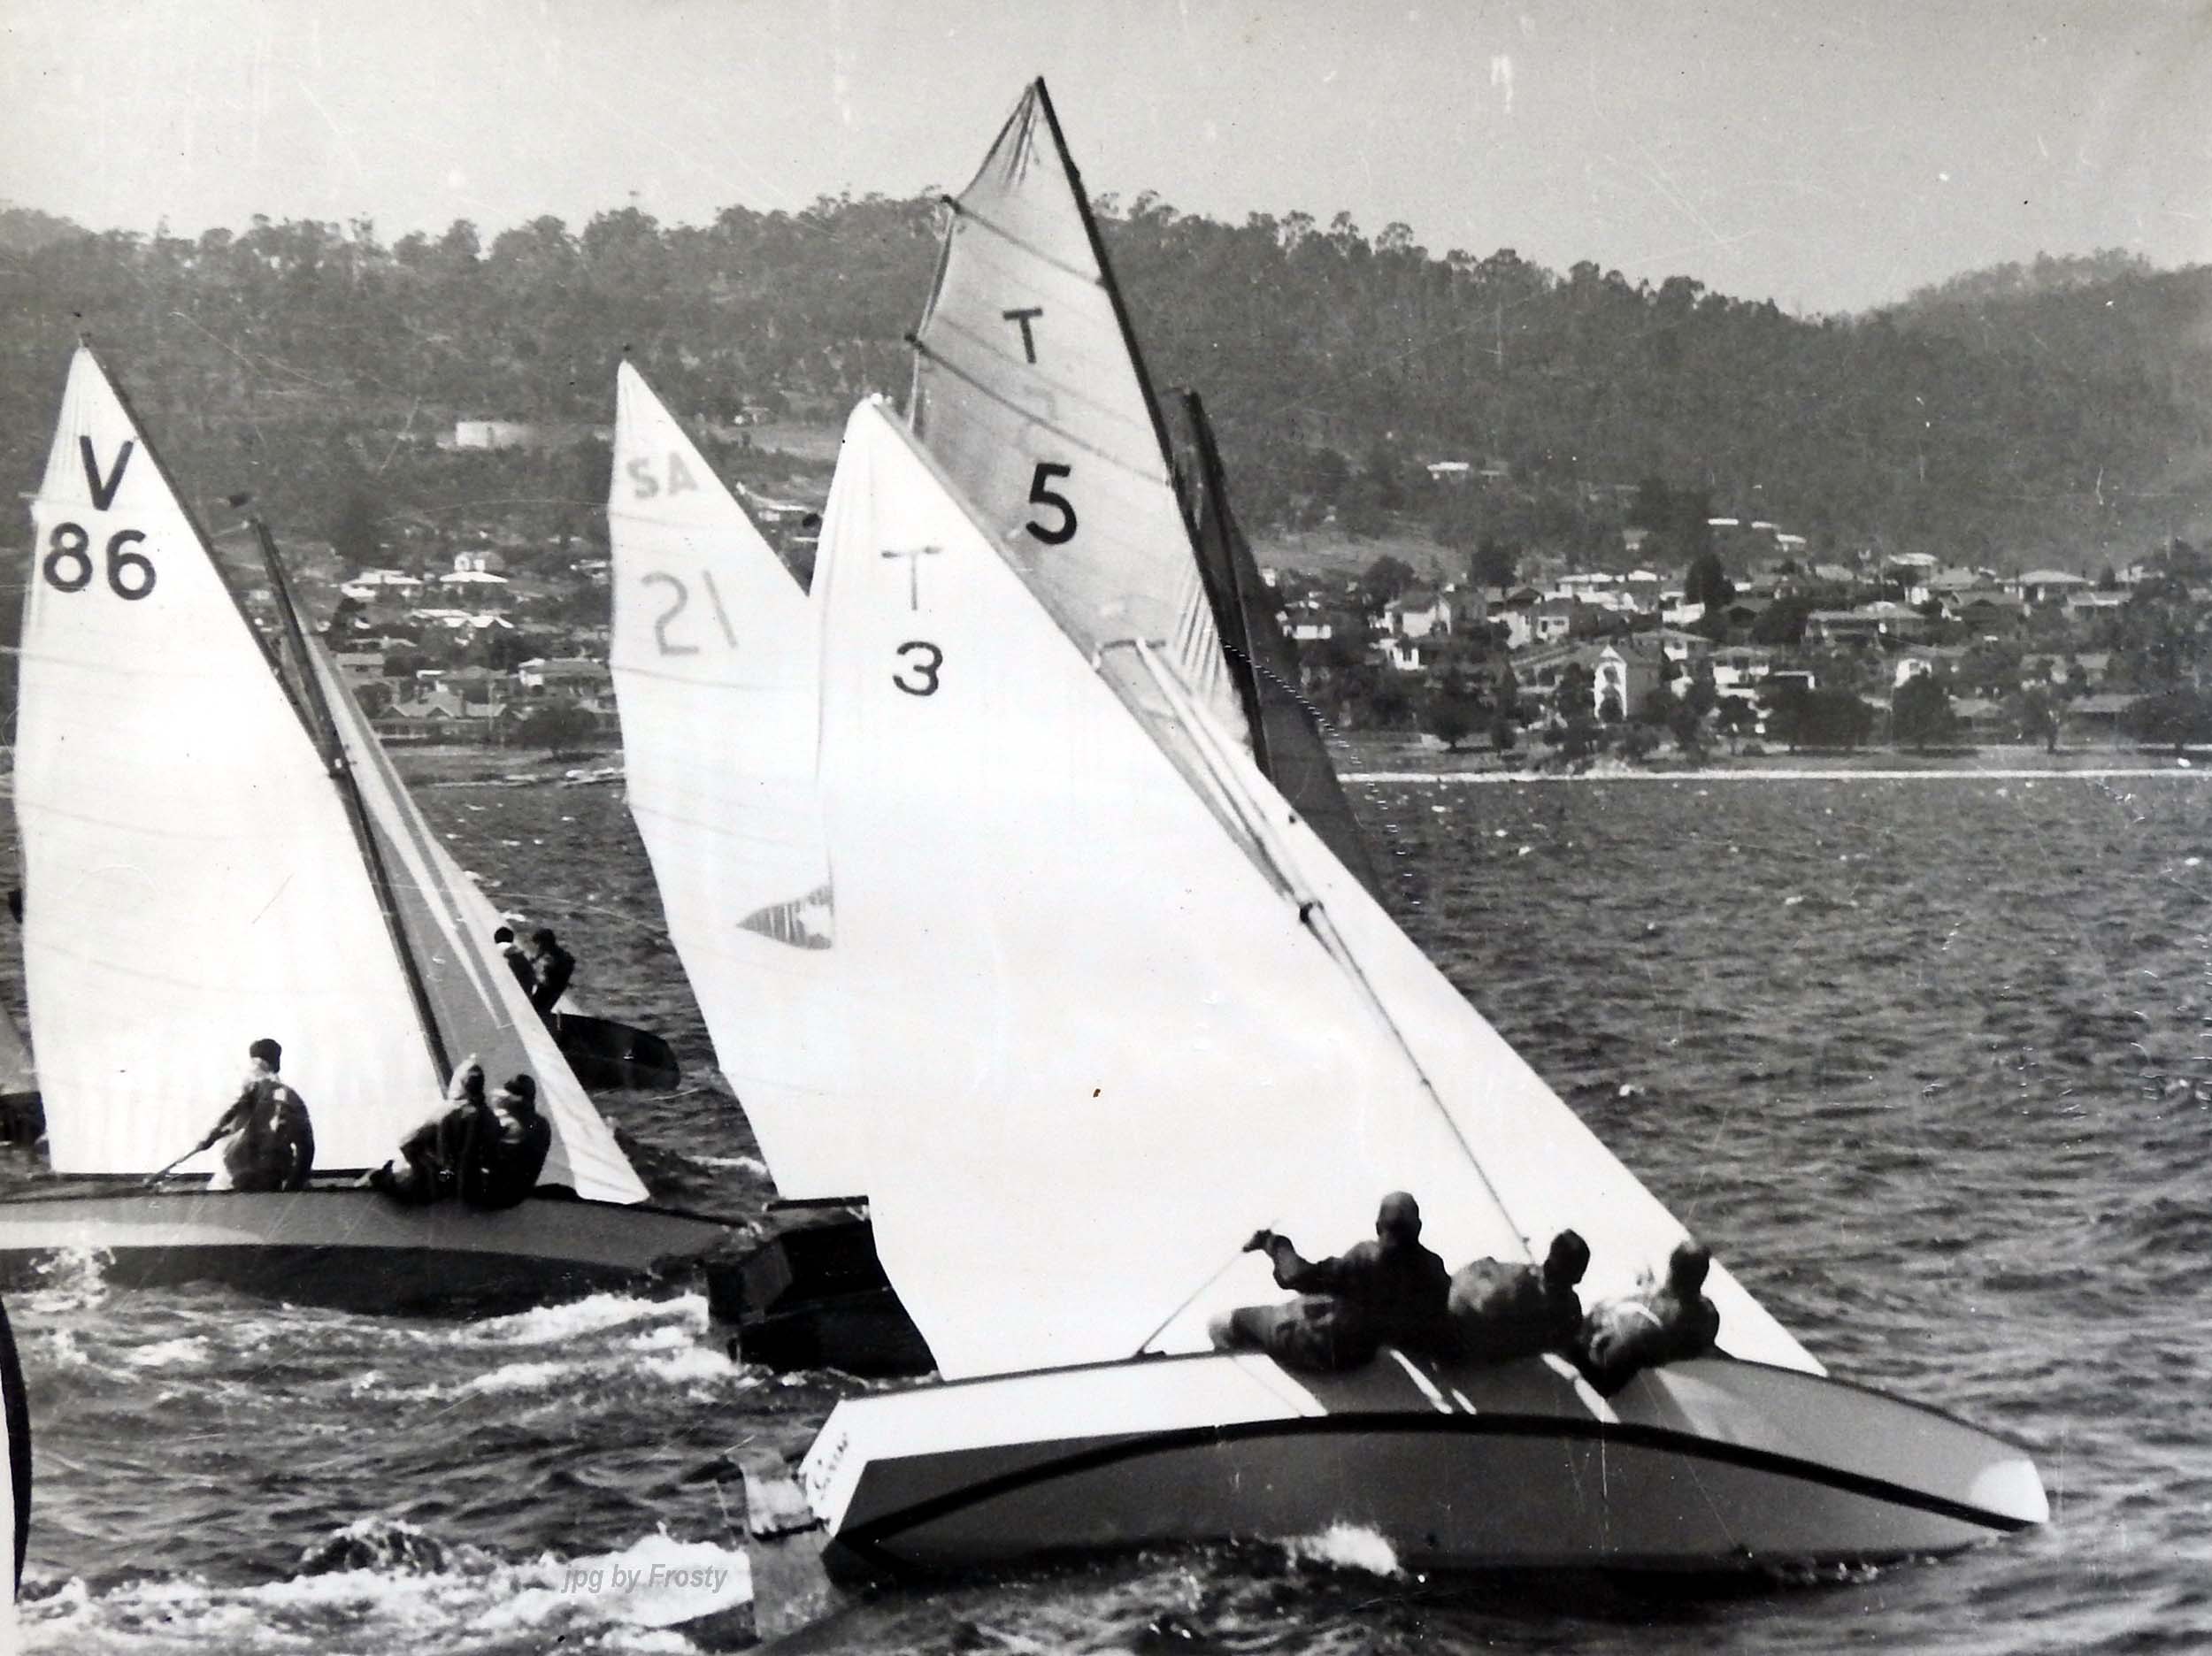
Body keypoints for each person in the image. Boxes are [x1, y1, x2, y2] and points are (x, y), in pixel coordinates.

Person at [1208, 1192, 1452, 1372]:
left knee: (1220, 1323)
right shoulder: (1433, 1268)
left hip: (1322, 1349)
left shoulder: (1366, 1257)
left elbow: (1296, 1276)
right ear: (1418, 1227)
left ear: (1378, 1226)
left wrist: (1274, 1243)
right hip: (1364, 1357)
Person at [1574, 1238, 1723, 1396]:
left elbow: (1606, 1383)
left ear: (1670, 1270)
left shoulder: (1648, 1325)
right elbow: (1678, 1300)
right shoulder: (1710, 1314)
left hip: (1612, 1375)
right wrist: (1652, 1289)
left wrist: (1572, 1345)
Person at [1444, 1230, 1590, 1362]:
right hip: (1468, 1344)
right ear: (1578, 1278)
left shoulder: (1516, 1281)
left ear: (1548, 1263)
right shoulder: (1571, 1317)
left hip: (1458, 1334)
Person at [190, 1038, 314, 1192]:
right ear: (276, 1062)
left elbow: (227, 1116)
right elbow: (307, 1147)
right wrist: (294, 1185)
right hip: (272, 1174)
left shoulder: (247, 1085)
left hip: (238, 1172)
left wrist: (208, 1139)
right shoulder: (290, 1096)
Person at [367, 1061, 485, 1207]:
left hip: (431, 1185)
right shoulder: (487, 1114)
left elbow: (405, 1142)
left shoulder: (447, 1112)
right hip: (461, 1183)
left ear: (459, 1084)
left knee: (389, 1172)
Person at [459, 1074, 552, 1211]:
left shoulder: (510, 1124)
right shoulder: (542, 1123)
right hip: (520, 1193)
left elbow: (486, 1154)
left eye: (508, 1095)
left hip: (495, 1195)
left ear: (518, 1098)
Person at [526, 928, 574, 1018]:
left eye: (539, 944)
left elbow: (546, 976)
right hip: (551, 987)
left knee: (538, 1011)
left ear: (544, 943)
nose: (538, 947)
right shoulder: (549, 952)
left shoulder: (555, 957)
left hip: (551, 988)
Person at [492, 925, 538, 998]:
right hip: (523, 991)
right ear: (512, 940)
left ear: (495, 939)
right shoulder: (521, 955)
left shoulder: (494, 951)